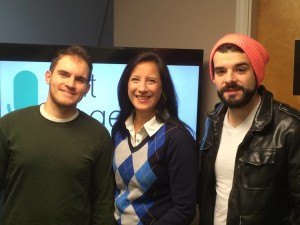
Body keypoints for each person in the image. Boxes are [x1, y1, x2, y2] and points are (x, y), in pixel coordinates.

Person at [0, 45, 115, 225]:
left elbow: (103, 203)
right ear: (48, 76)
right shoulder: (9, 125)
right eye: (64, 74)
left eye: (79, 79)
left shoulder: (99, 135)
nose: (70, 84)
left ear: (87, 88)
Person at [198, 33, 300, 225]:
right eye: (221, 71)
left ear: (257, 73)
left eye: (240, 69)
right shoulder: (212, 121)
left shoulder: (291, 127)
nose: (229, 79)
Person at [112, 52, 198, 225]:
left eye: (151, 80)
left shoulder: (177, 138)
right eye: (135, 79)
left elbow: (184, 209)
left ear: (163, 88)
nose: (142, 88)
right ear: (126, 85)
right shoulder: (119, 130)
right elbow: (118, 193)